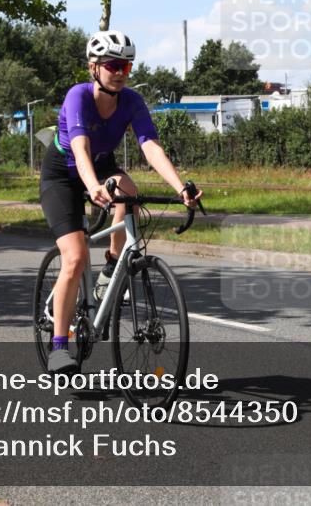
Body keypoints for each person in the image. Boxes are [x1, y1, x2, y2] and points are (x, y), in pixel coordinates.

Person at [40, 29, 202, 374]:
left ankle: (114, 263)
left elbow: (150, 146)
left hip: (99, 167)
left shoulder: (131, 101)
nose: (120, 72)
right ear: (93, 67)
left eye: (126, 67)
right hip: (62, 174)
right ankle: (58, 346)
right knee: (76, 257)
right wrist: (92, 185)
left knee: (127, 186)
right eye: (113, 65)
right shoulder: (78, 97)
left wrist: (179, 188)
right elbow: (80, 148)